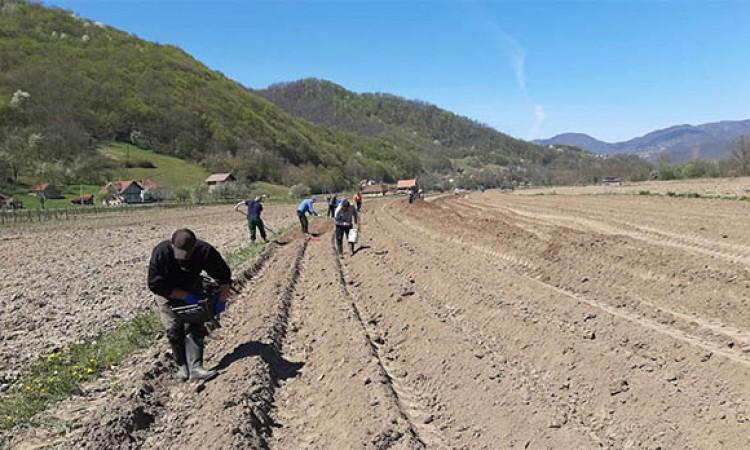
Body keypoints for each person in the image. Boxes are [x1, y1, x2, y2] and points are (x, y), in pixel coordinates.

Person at [148, 229, 232, 381]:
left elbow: (224, 277)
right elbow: (155, 285)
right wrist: (184, 296)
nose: (183, 259)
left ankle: (196, 368)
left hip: (192, 286)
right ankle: (182, 368)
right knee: (173, 328)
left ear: (194, 247)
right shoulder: (161, 253)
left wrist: (221, 300)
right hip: (167, 291)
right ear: (171, 244)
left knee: (195, 324)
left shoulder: (205, 251)